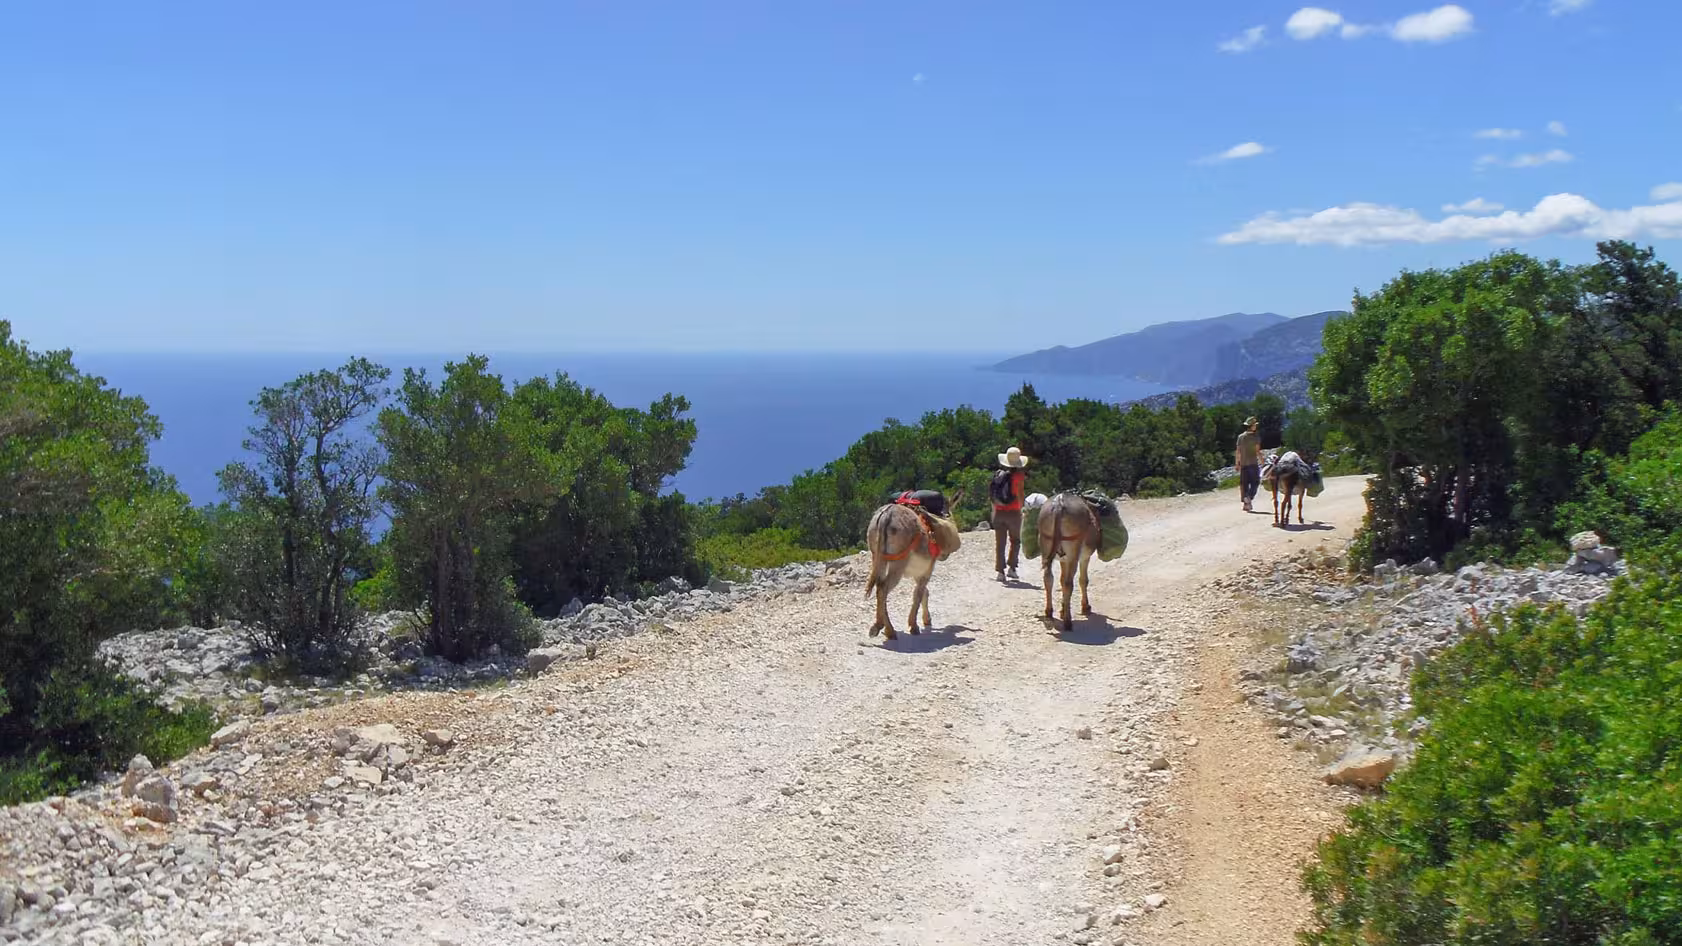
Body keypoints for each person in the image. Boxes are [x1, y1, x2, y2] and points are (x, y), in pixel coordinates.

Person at [990, 446, 1030, 581]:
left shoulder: (998, 474)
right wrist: (1022, 509)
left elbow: (992, 494)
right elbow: (1020, 494)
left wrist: (994, 510)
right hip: (1013, 513)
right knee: (1015, 540)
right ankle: (1012, 569)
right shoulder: (1019, 476)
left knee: (1000, 543)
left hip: (998, 512)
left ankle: (1000, 572)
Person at [1235, 416, 1263, 513]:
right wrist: (1263, 461)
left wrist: (1237, 463)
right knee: (1255, 482)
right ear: (1251, 426)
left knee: (1244, 484)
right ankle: (1249, 497)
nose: (1256, 426)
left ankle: (1246, 504)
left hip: (1243, 464)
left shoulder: (1240, 437)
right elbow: (1257, 451)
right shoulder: (1256, 437)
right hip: (1253, 463)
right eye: (1255, 425)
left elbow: (1238, 451)